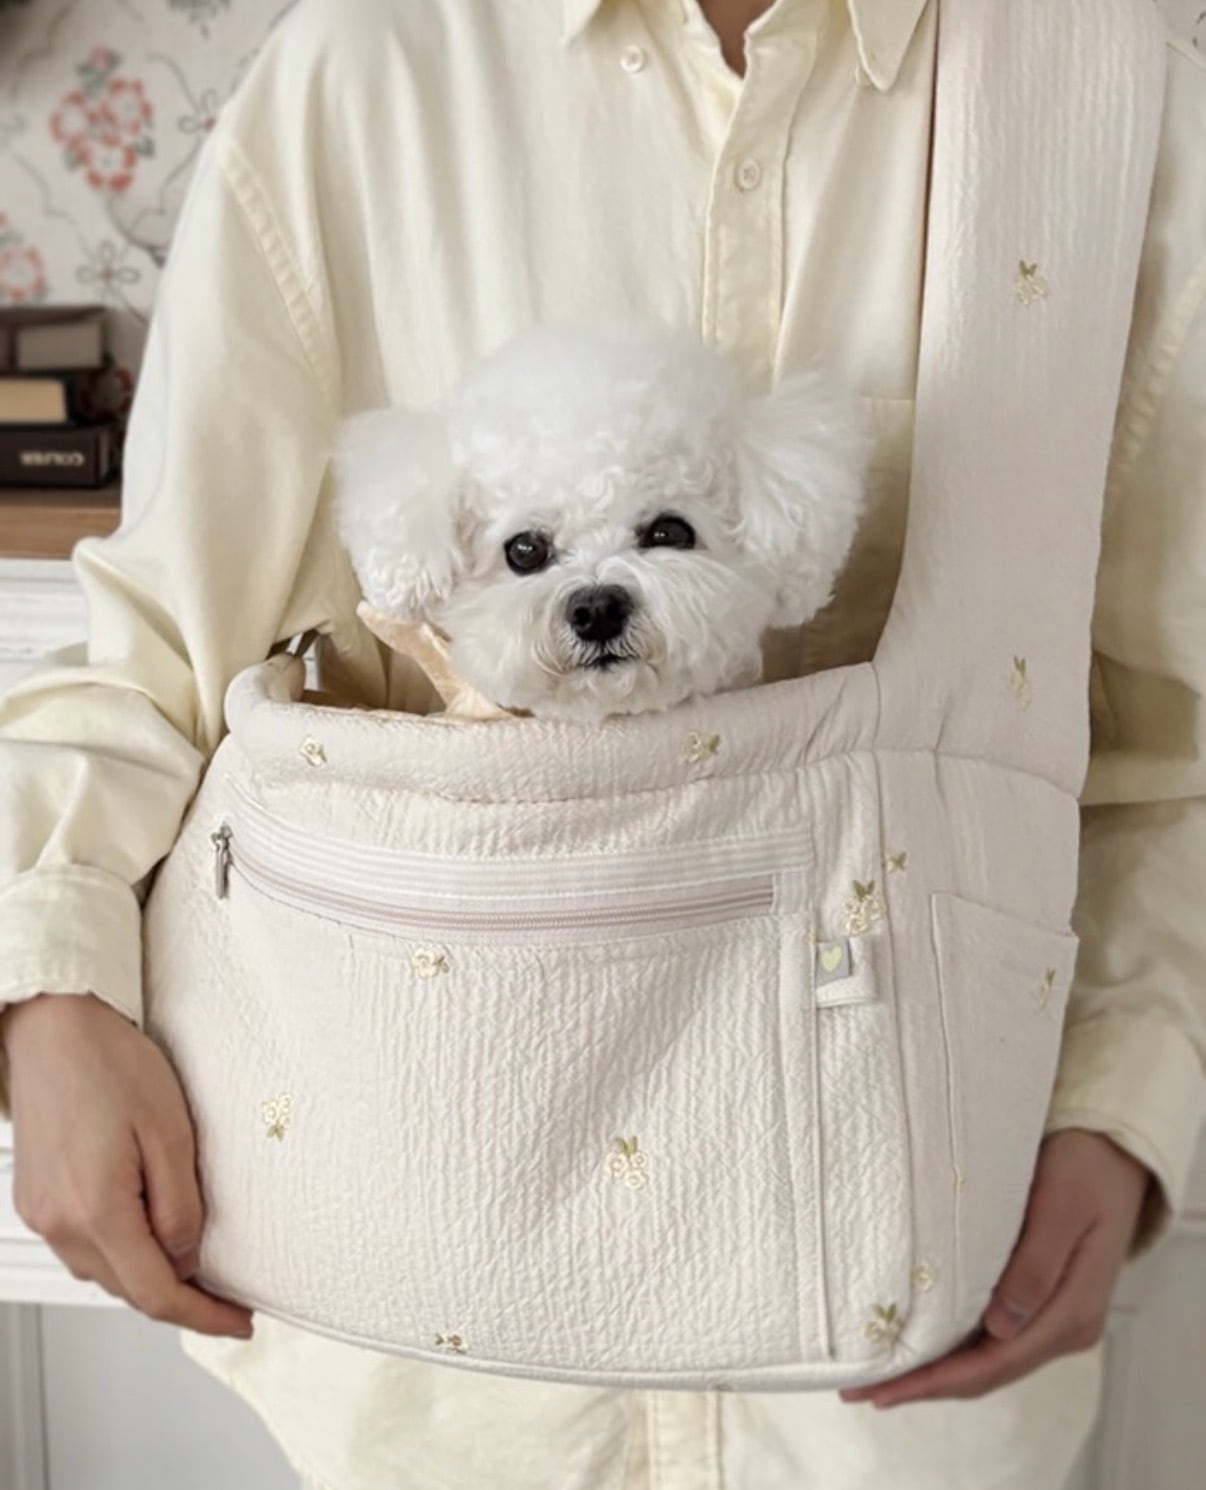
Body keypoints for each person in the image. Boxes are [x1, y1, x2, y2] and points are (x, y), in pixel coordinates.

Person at [1, 1, 1203, 1486]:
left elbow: (1174, 734)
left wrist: (1125, 1101)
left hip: (923, 1312)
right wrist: (50, 997)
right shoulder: (361, 74)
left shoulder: (1108, 92)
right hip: (423, 1355)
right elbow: (156, 647)